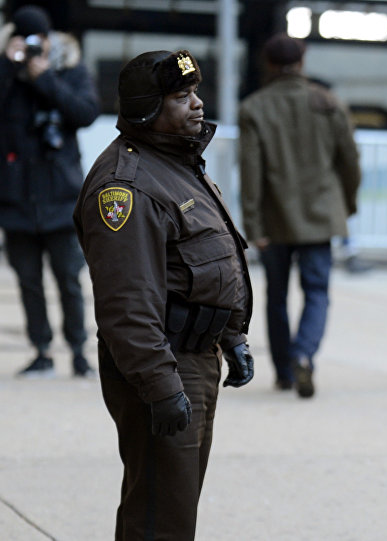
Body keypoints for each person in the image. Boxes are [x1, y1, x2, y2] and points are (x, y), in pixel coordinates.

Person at [73, 50, 254, 540]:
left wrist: (232, 335)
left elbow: (213, 259)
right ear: (146, 109)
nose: (196, 105)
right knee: (159, 516)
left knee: (175, 505)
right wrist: (160, 385)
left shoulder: (176, 164)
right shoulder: (125, 187)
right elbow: (127, 306)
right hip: (161, 364)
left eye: (195, 93)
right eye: (180, 97)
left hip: (194, 358)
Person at [239, 34, 361, 398]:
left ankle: (283, 372)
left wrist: (252, 225)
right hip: (321, 214)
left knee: (276, 296)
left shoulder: (254, 108)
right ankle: (304, 354)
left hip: (273, 219)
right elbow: (350, 162)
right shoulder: (329, 103)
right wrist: (347, 205)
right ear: (303, 62)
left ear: (268, 64)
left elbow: (250, 173)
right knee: (317, 292)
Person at [0, 5, 98, 377]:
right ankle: (41, 350)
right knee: (28, 282)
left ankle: (78, 350)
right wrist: (9, 68)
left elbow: (86, 112)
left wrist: (45, 80)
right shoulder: (5, 70)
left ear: (48, 38)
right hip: (15, 197)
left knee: (69, 279)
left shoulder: (68, 67)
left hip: (61, 195)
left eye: (36, 40)